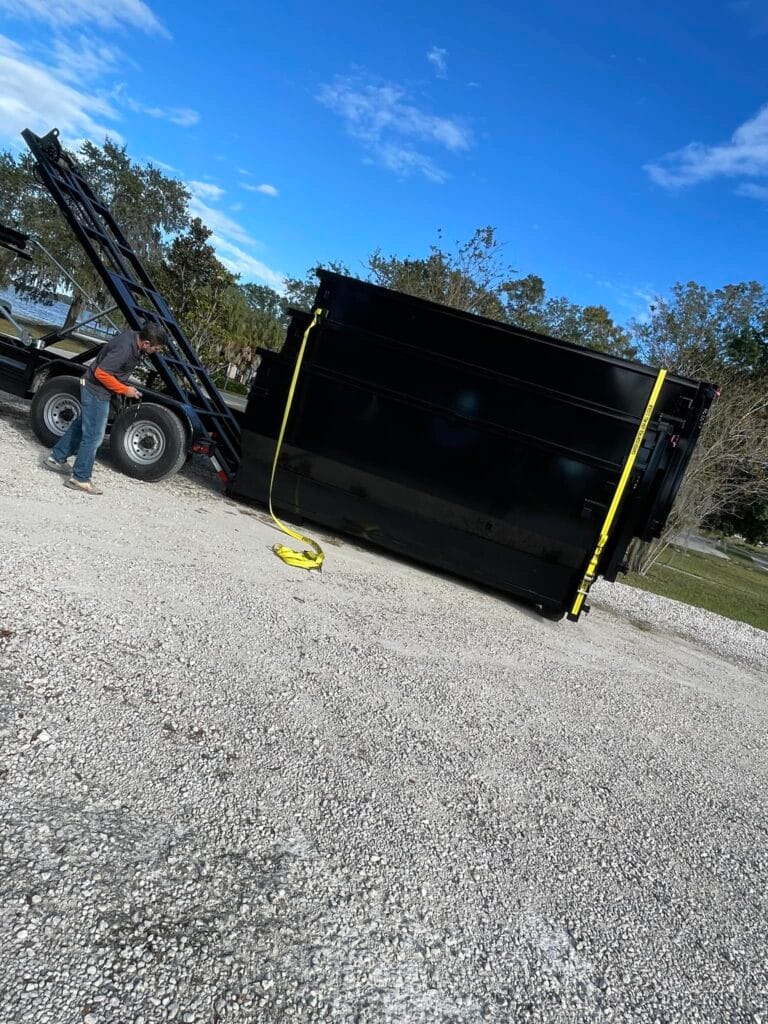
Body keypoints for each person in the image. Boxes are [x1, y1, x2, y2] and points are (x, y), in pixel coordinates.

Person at [42, 322, 167, 495]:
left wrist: (124, 387)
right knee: (94, 436)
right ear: (146, 343)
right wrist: (125, 390)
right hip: (95, 391)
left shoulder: (133, 339)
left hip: (95, 389)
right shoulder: (126, 348)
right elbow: (101, 373)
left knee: (81, 426)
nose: (156, 352)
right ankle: (80, 478)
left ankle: (56, 458)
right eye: (156, 348)